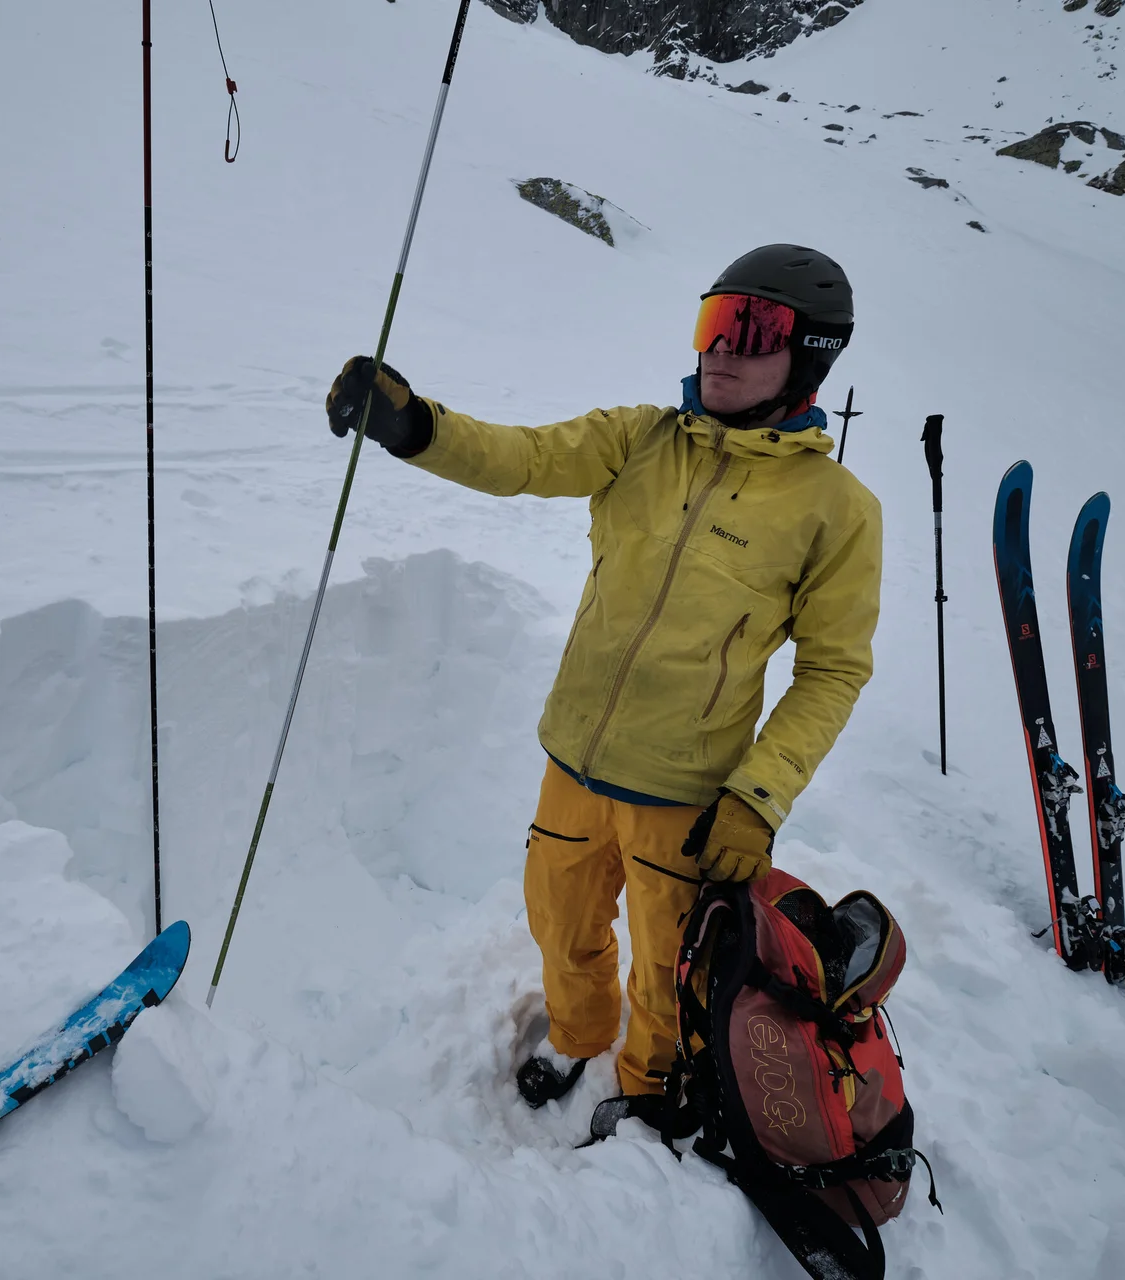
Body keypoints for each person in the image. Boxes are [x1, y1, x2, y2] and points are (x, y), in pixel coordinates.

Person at [323, 245, 883, 1108]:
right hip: (575, 755)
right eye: (714, 324)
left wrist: (758, 797)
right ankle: (581, 1032)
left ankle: (650, 1085)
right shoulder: (640, 440)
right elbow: (520, 458)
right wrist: (414, 427)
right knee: (559, 918)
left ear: (809, 355)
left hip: (687, 794)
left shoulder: (837, 510)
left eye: (755, 329)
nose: (723, 349)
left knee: (669, 963)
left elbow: (833, 671)